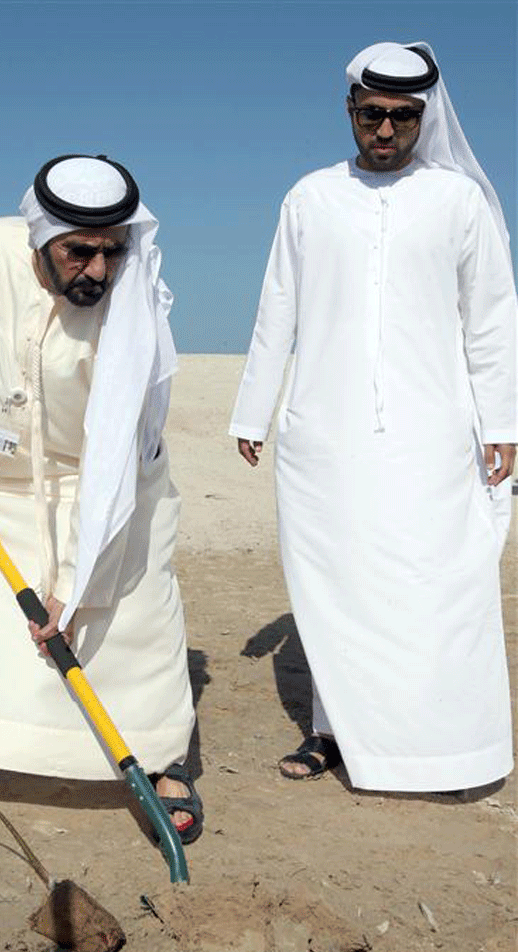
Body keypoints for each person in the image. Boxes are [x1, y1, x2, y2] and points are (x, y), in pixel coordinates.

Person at [0, 154, 202, 842]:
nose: (98, 270)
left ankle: (159, 759)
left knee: (125, 625)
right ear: (39, 237)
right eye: (78, 251)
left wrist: (74, 582)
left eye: (112, 252)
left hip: (105, 484)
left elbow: (114, 461)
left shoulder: (132, 309)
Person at [229, 42, 516, 792]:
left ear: (425, 117)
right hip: (327, 432)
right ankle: (333, 734)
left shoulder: (459, 201)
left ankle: (446, 748)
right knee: (339, 586)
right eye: (372, 114)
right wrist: (254, 410)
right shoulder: (310, 197)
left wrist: (502, 425)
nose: (385, 130)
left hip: (433, 431)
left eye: (403, 116)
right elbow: (278, 306)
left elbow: (491, 318)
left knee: (436, 586)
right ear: (350, 110)